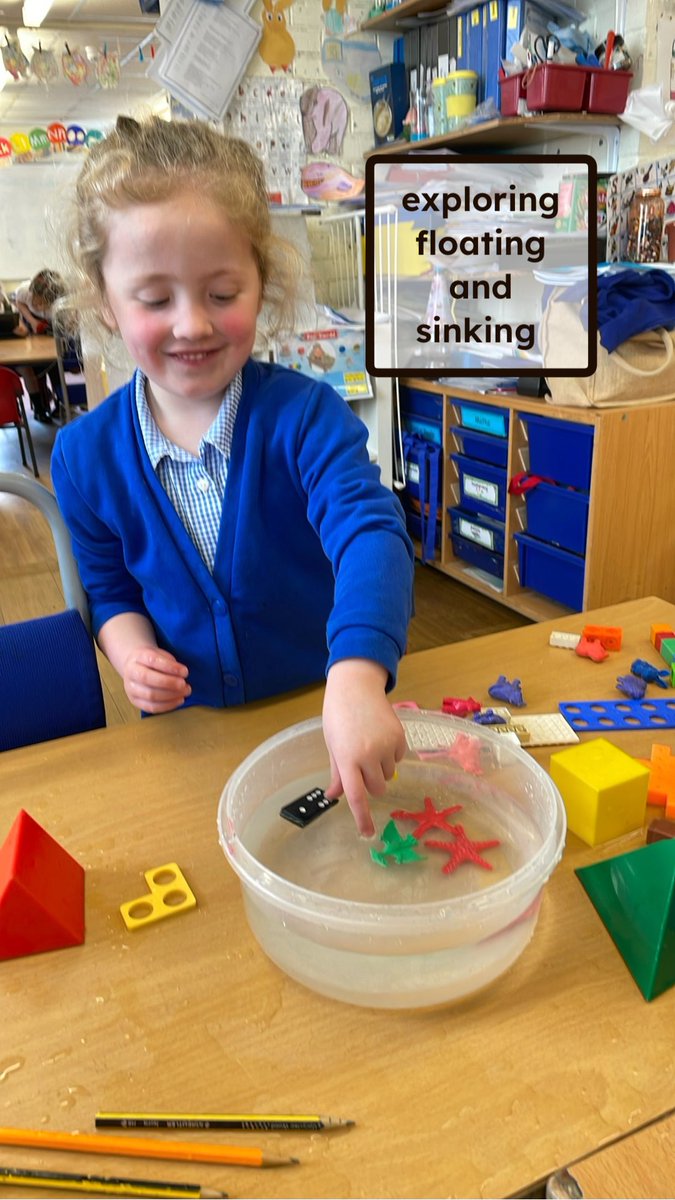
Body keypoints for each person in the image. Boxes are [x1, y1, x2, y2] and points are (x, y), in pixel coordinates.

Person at [51, 115, 414, 837]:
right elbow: (110, 589)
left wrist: (355, 676)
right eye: (154, 300)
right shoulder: (83, 456)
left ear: (261, 281)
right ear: (103, 300)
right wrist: (131, 652)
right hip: (194, 742)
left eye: (222, 293)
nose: (191, 325)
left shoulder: (306, 417)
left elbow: (371, 534)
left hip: (324, 718)